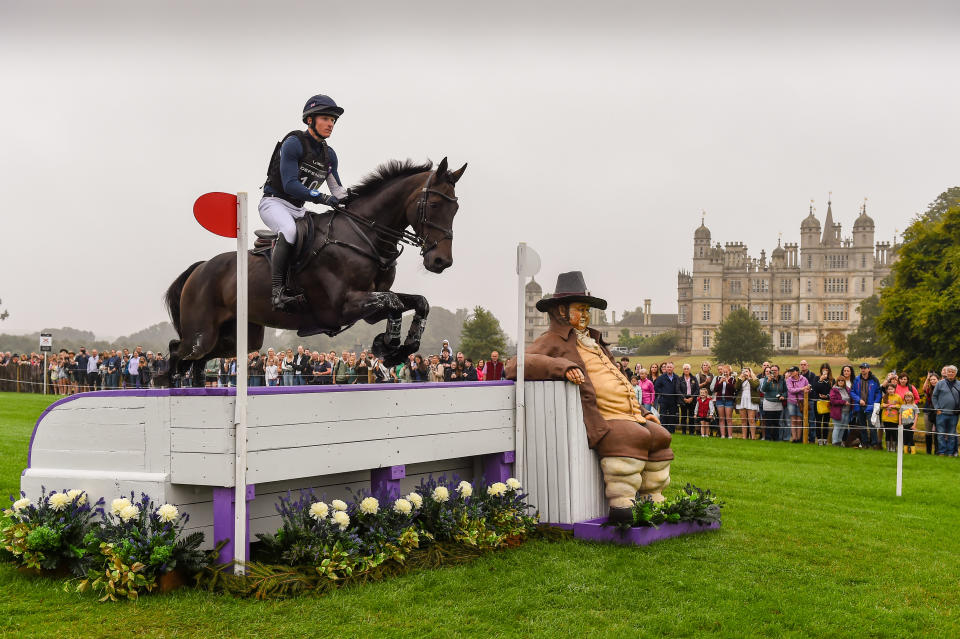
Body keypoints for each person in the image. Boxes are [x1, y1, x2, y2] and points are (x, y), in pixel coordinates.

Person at [506, 270, 673, 523]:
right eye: (580, 308)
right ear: (562, 311)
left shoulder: (595, 341)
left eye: (587, 310)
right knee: (634, 435)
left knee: (660, 435)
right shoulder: (553, 339)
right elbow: (514, 365)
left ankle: (652, 498)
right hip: (601, 417)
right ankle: (622, 504)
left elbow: (620, 382)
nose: (585, 315)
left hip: (628, 413)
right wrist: (561, 367)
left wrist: (643, 411)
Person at [260, 95, 347, 311]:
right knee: (289, 231)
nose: (331, 124)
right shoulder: (294, 143)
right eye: (326, 118)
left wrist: (356, 199)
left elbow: (336, 189)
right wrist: (322, 198)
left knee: (324, 234)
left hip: (299, 209)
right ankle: (277, 292)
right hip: (274, 203)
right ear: (310, 120)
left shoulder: (329, 155)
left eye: (333, 120)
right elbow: (290, 185)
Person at [850, 363, 882, 450]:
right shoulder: (857, 379)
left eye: (864, 368)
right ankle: (864, 443)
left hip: (870, 407)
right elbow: (852, 392)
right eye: (861, 368)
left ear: (869, 369)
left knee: (872, 426)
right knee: (862, 426)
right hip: (859, 406)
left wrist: (875, 404)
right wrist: (858, 400)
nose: (863, 370)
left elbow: (878, 393)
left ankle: (874, 444)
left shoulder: (874, 380)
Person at [932, 365, 960, 457]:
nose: (951, 373)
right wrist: (937, 408)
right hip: (941, 413)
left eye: (953, 372)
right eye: (949, 372)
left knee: (952, 434)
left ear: (955, 373)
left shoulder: (959, 384)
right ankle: (942, 452)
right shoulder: (940, 383)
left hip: (954, 414)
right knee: (941, 434)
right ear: (946, 373)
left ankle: (950, 452)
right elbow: (934, 396)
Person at [758, 365, 786, 441]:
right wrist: (768, 381)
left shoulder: (782, 379)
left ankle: (776, 439)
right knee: (768, 422)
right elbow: (763, 389)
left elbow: (785, 390)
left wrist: (783, 396)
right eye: (772, 370)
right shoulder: (767, 378)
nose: (773, 372)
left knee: (776, 423)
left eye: (775, 370)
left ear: (778, 371)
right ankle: (768, 438)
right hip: (768, 403)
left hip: (778, 403)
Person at [785, 366, 810, 443]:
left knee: (799, 420)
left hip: (801, 402)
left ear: (797, 372)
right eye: (790, 371)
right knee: (793, 420)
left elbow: (808, 388)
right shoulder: (788, 380)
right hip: (791, 402)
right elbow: (791, 390)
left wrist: (807, 389)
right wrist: (802, 389)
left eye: (792, 371)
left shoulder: (804, 379)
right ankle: (794, 438)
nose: (791, 373)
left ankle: (799, 438)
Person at [654, 362, 680, 433]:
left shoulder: (676, 377)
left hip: (673, 400)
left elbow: (678, 388)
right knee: (663, 415)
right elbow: (656, 387)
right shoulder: (661, 377)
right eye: (668, 367)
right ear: (666, 368)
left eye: (670, 367)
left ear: (673, 368)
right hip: (663, 400)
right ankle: (663, 430)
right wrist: (663, 393)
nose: (669, 368)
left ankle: (672, 430)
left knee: (672, 415)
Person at [811, 364, 833, 446]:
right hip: (818, 403)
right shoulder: (816, 378)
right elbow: (815, 389)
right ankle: (819, 439)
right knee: (818, 422)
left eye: (826, 369)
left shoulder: (831, 380)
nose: (825, 371)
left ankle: (825, 439)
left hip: (827, 403)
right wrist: (820, 380)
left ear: (829, 370)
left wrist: (827, 396)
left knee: (826, 422)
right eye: (823, 369)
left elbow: (832, 391)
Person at [735, 367, 761, 440]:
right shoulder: (741, 380)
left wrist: (749, 378)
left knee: (751, 420)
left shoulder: (755, 380)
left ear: (750, 372)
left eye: (747, 371)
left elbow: (755, 386)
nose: (745, 373)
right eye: (744, 371)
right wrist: (740, 379)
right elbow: (736, 387)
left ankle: (753, 437)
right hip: (742, 400)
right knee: (743, 420)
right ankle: (744, 437)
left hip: (751, 400)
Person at [712, 365, 736, 439]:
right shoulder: (718, 378)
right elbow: (715, 389)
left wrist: (727, 382)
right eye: (724, 371)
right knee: (721, 418)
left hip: (728, 400)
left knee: (728, 418)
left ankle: (730, 435)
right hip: (720, 400)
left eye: (726, 371)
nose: (725, 372)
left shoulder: (732, 379)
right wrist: (720, 382)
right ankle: (722, 435)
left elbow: (733, 390)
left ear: (729, 371)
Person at [880, 382, 903, 452]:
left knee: (894, 433)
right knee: (887, 433)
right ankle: (888, 448)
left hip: (894, 419)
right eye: (889, 389)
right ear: (887, 390)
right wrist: (884, 405)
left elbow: (902, 406)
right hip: (886, 418)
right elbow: (881, 405)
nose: (890, 390)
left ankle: (893, 448)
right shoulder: (885, 397)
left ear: (894, 389)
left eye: (892, 389)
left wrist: (895, 406)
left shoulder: (898, 397)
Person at [829, 374, 851, 446]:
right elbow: (833, 401)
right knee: (837, 427)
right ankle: (835, 442)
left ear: (844, 382)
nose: (841, 382)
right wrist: (843, 402)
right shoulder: (834, 390)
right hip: (838, 412)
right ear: (837, 382)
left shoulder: (847, 389)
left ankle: (839, 441)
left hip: (847, 412)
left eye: (842, 381)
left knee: (843, 427)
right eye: (839, 380)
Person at [921, 373, 940, 455]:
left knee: (937, 432)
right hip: (928, 411)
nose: (932, 381)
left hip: (938, 412)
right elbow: (923, 389)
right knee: (928, 432)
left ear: (938, 380)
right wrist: (927, 378)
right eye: (931, 380)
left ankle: (937, 451)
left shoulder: (941, 388)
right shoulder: (929, 389)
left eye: (934, 379)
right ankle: (928, 451)